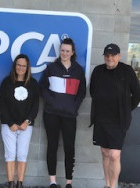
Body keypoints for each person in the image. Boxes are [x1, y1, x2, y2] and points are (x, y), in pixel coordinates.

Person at [90, 43, 140, 188]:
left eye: (113, 55)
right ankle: (107, 184)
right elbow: (93, 91)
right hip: (101, 118)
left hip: (119, 120)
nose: (110, 58)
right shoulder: (98, 71)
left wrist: (126, 109)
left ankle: (113, 186)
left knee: (114, 155)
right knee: (105, 153)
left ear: (119, 56)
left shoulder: (127, 71)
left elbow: (136, 94)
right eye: (107, 55)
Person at [40, 38, 86, 188]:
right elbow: (43, 88)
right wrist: (51, 101)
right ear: (59, 51)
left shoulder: (78, 70)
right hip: (51, 114)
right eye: (62, 50)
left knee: (69, 147)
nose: (64, 53)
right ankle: (52, 181)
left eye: (67, 51)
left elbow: (82, 92)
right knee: (52, 145)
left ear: (72, 52)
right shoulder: (51, 68)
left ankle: (68, 182)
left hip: (69, 115)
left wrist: (74, 107)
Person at [0, 54, 39, 188]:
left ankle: (20, 183)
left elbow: (35, 106)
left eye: (24, 65)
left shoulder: (33, 84)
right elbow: (2, 105)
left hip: (25, 126)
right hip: (8, 125)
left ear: (27, 67)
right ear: (14, 66)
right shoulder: (6, 82)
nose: (21, 68)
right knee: (9, 154)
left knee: (22, 154)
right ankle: (11, 183)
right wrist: (10, 123)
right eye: (18, 65)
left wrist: (27, 121)